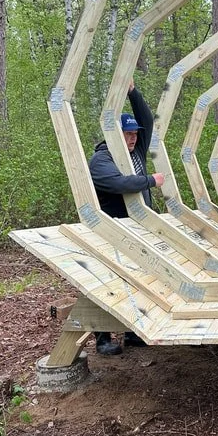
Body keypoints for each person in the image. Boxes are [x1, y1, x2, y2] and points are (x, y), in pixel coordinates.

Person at [88, 80, 165, 355]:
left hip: (137, 229)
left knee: (137, 279)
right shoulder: (102, 159)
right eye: (127, 133)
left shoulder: (136, 152)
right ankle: (103, 338)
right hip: (110, 230)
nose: (133, 138)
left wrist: (132, 92)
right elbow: (118, 183)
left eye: (134, 134)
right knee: (106, 281)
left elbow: (147, 120)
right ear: (114, 134)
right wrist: (150, 181)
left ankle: (132, 332)